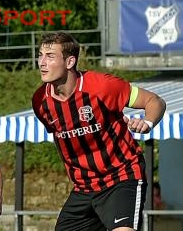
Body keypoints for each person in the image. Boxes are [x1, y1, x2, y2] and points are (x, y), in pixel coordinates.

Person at [31, 32, 167, 231]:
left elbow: (154, 101)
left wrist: (147, 121)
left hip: (121, 177)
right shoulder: (40, 102)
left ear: (70, 61)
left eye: (50, 56)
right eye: (40, 55)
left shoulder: (103, 87)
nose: (42, 62)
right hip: (84, 188)